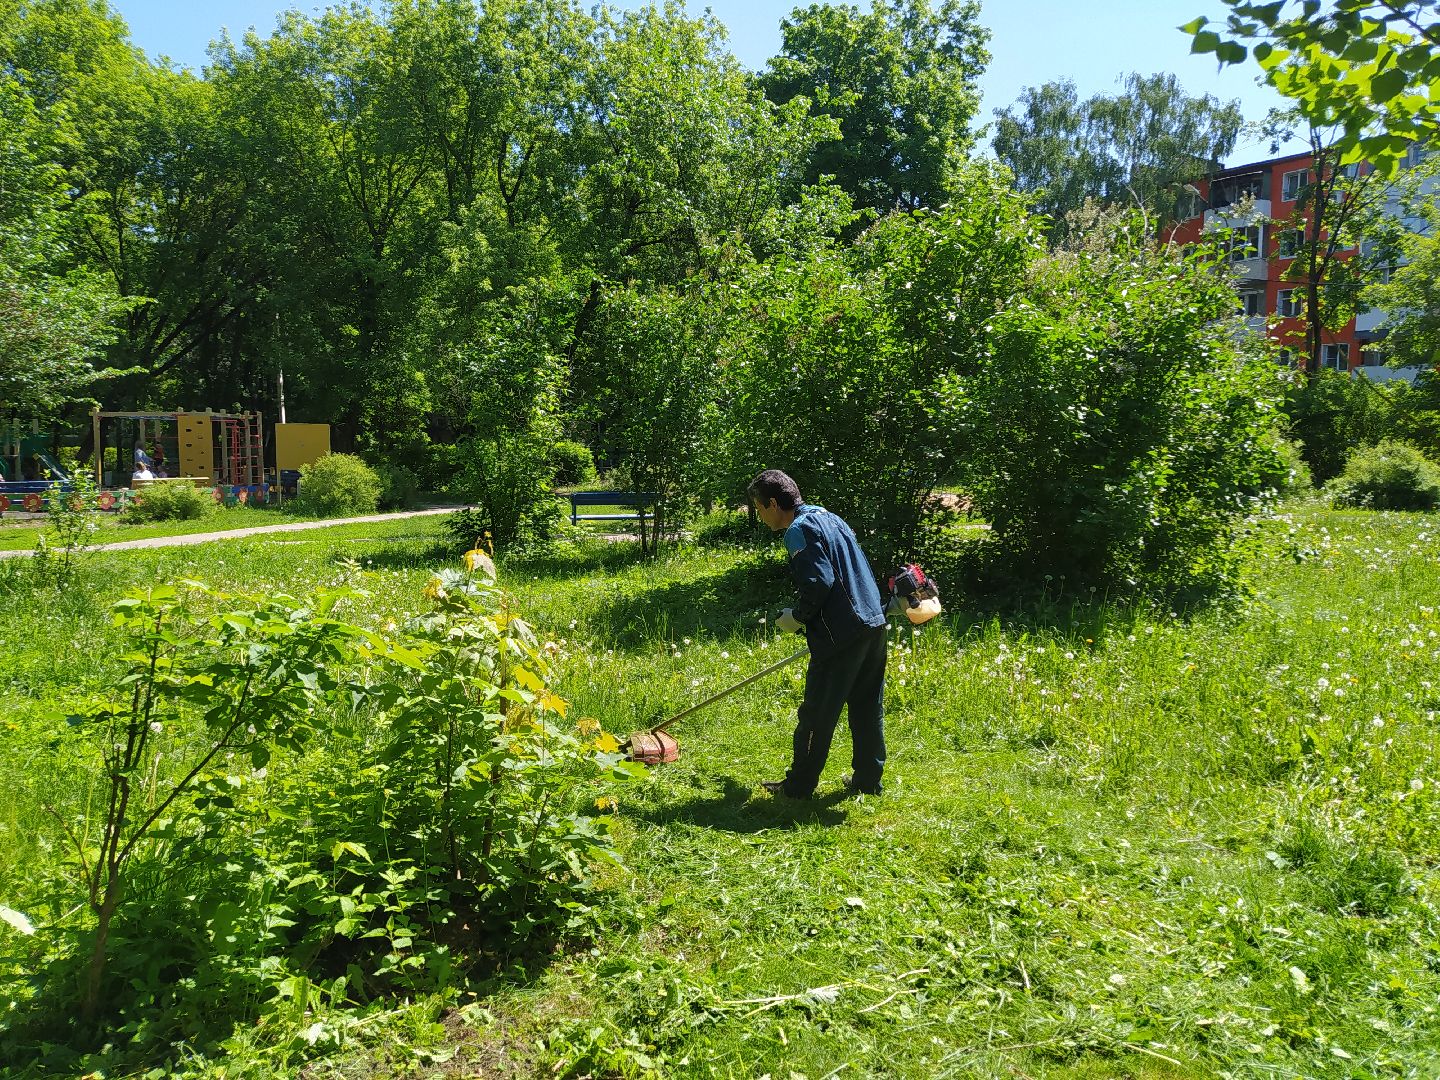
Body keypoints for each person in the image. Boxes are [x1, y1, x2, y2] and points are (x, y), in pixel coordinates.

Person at [748, 469, 888, 798]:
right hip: (874, 624)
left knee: (816, 716)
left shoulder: (798, 531)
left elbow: (819, 583)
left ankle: (797, 788)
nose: (759, 516)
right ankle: (868, 782)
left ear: (772, 503)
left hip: (840, 635)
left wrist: (796, 618)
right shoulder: (830, 517)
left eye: (758, 508)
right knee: (867, 708)